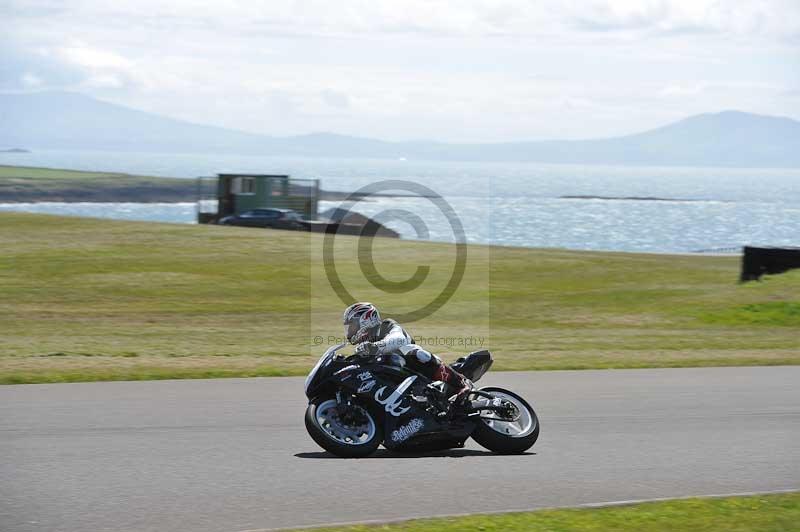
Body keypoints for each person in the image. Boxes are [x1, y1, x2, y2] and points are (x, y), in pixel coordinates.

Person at [342, 302, 471, 402]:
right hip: (396, 385)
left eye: (352, 325)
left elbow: (398, 339)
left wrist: (376, 347)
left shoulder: (386, 326)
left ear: (366, 319)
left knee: (413, 352)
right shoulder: (364, 348)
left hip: (418, 369)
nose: (350, 331)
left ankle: (460, 382)